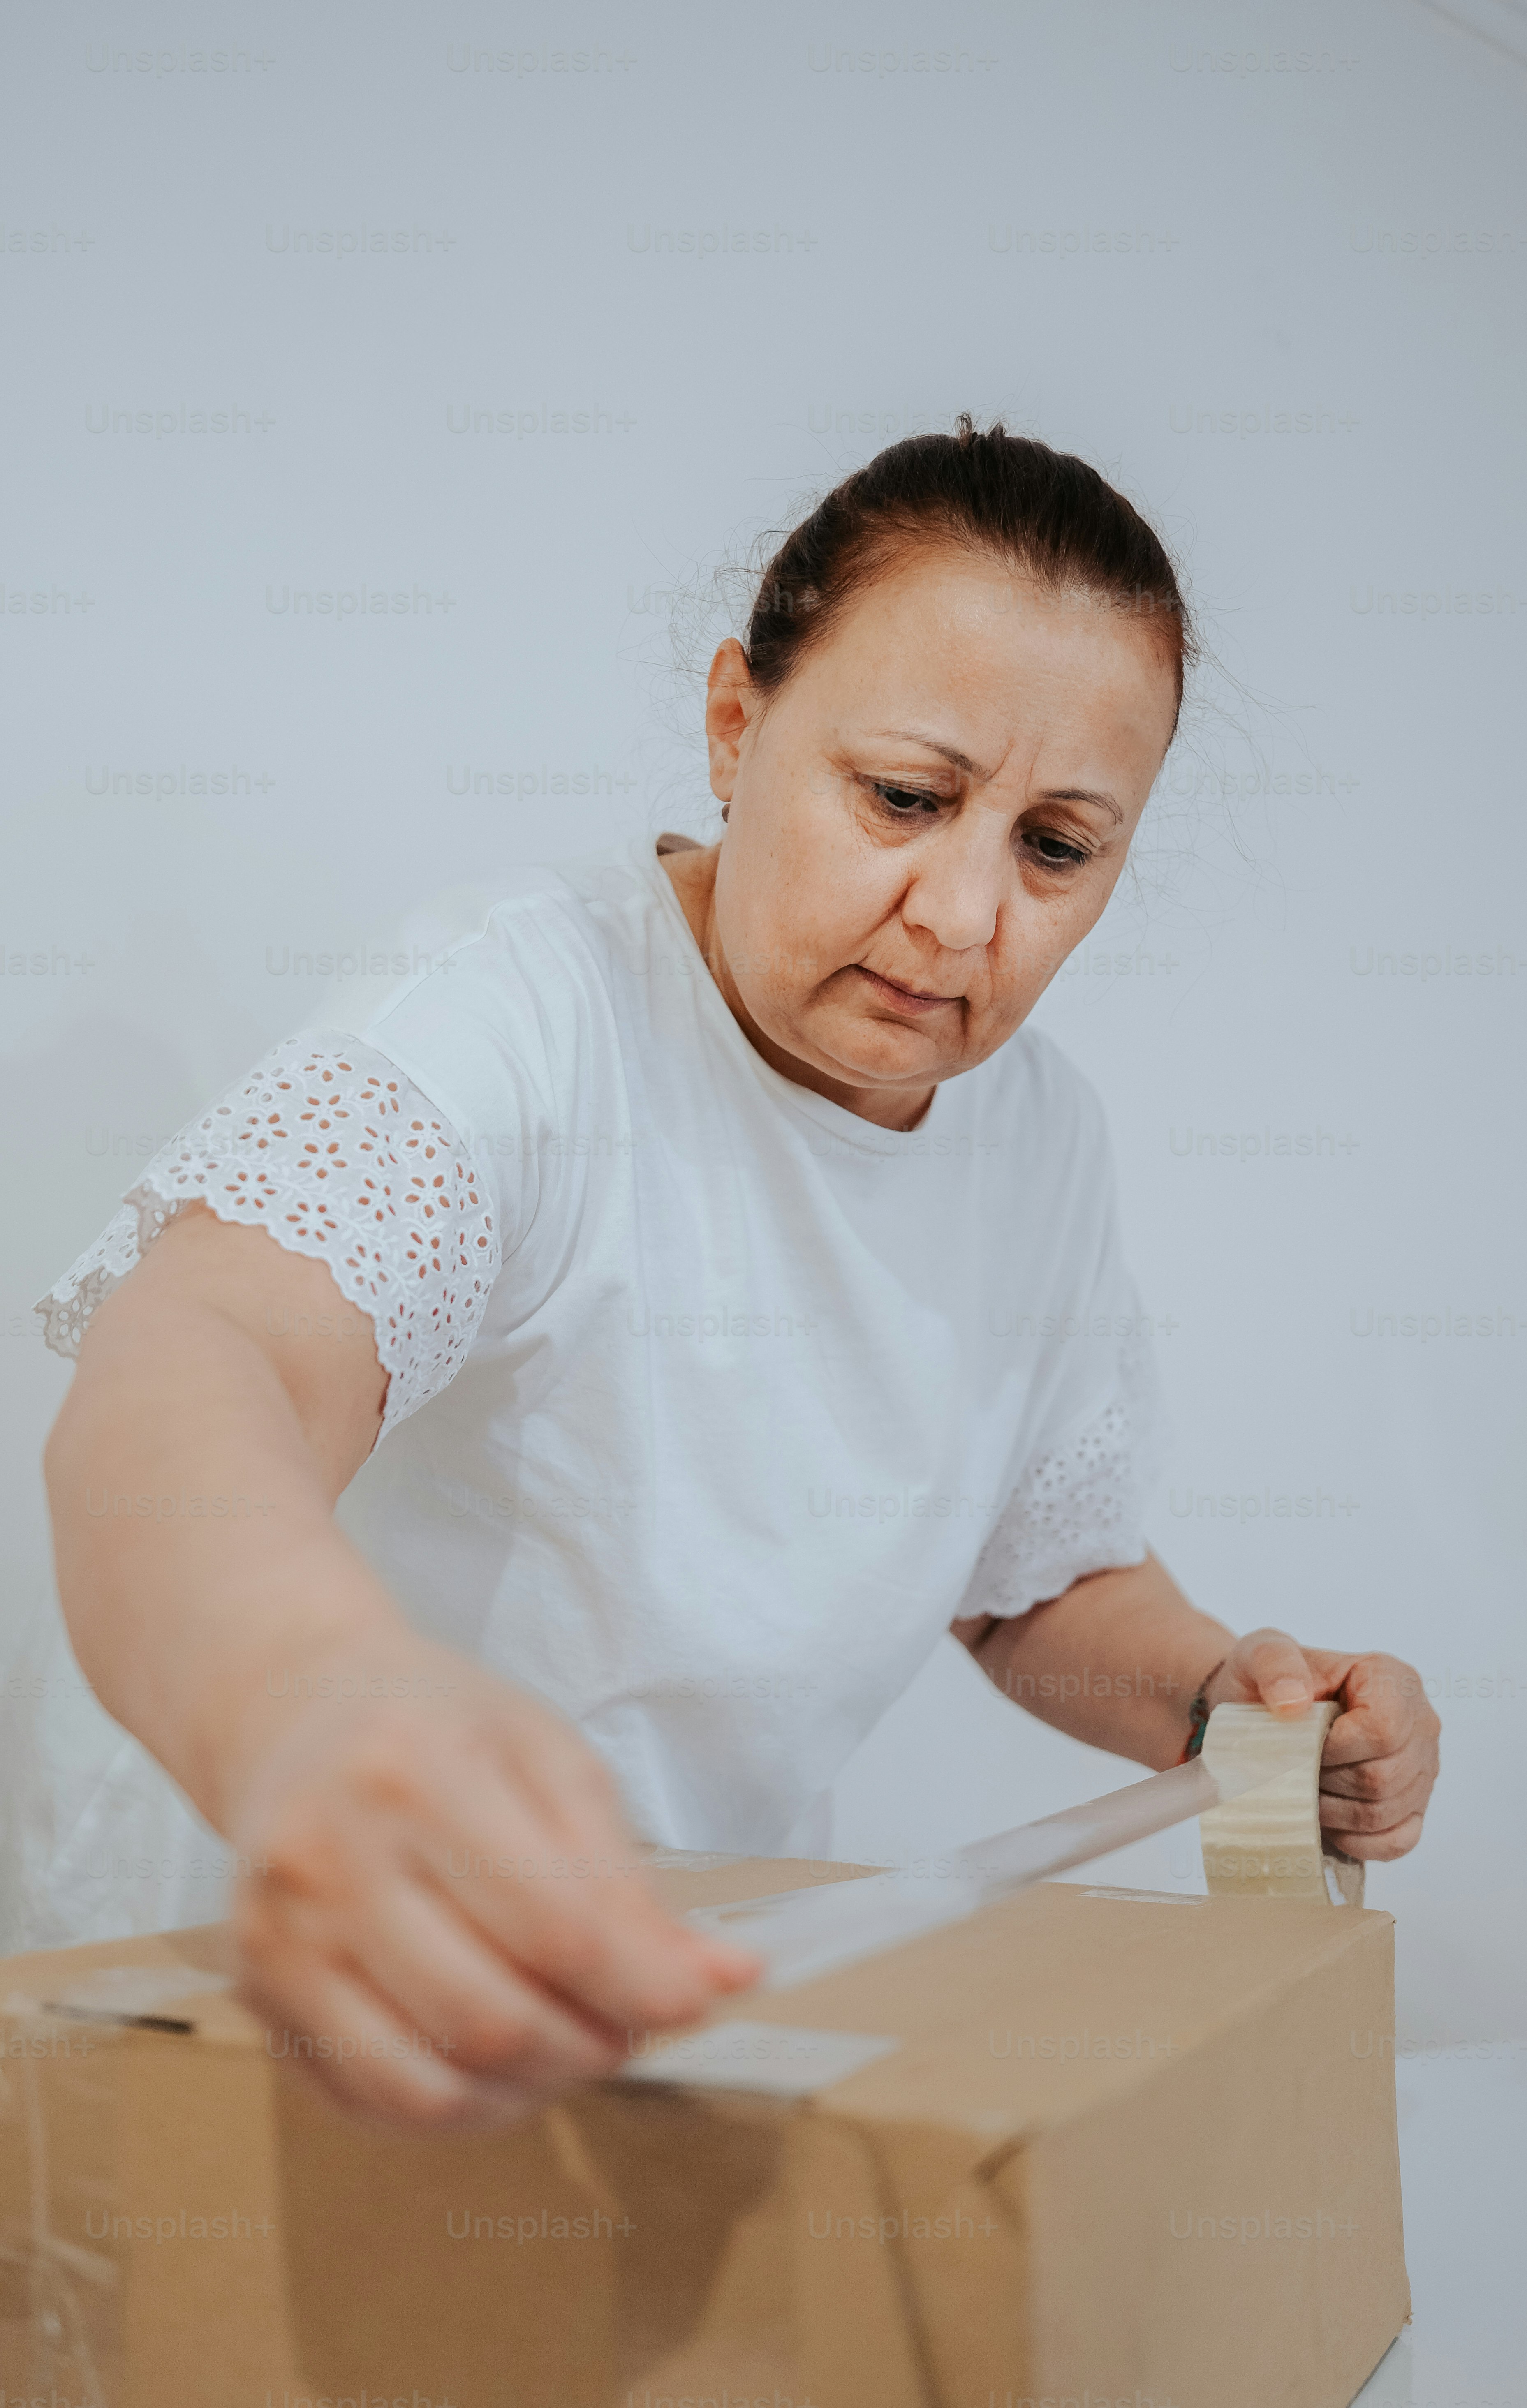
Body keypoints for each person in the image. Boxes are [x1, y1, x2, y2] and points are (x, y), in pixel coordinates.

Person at [37, 419, 1440, 2129]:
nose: (959, 913)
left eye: (1055, 846)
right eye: (904, 798)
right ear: (733, 722)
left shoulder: (1037, 1143)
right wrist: (314, 1709)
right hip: (269, 2011)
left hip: (670, 2012)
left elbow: (1030, 1585)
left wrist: (1224, 1704)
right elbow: (190, 1369)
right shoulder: (526, 1019)